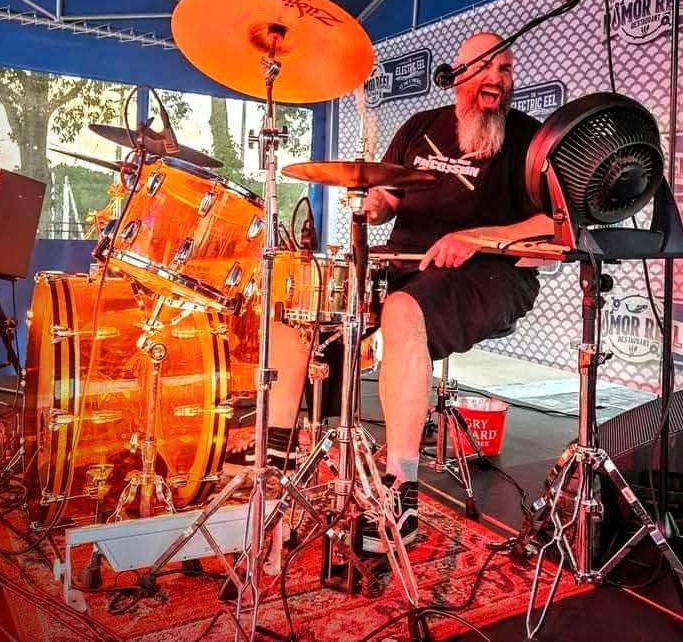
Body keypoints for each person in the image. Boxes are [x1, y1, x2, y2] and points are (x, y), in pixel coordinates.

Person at [234, 31, 553, 553]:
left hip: (490, 273)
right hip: (404, 263)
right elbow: (389, 194)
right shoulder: (420, 127)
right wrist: (375, 204)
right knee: (297, 308)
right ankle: (277, 458)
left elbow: (555, 222)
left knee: (403, 310)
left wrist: (475, 239)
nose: (496, 77)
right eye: (485, 67)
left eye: (506, 68)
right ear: (457, 75)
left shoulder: (529, 139)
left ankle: (401, 488)